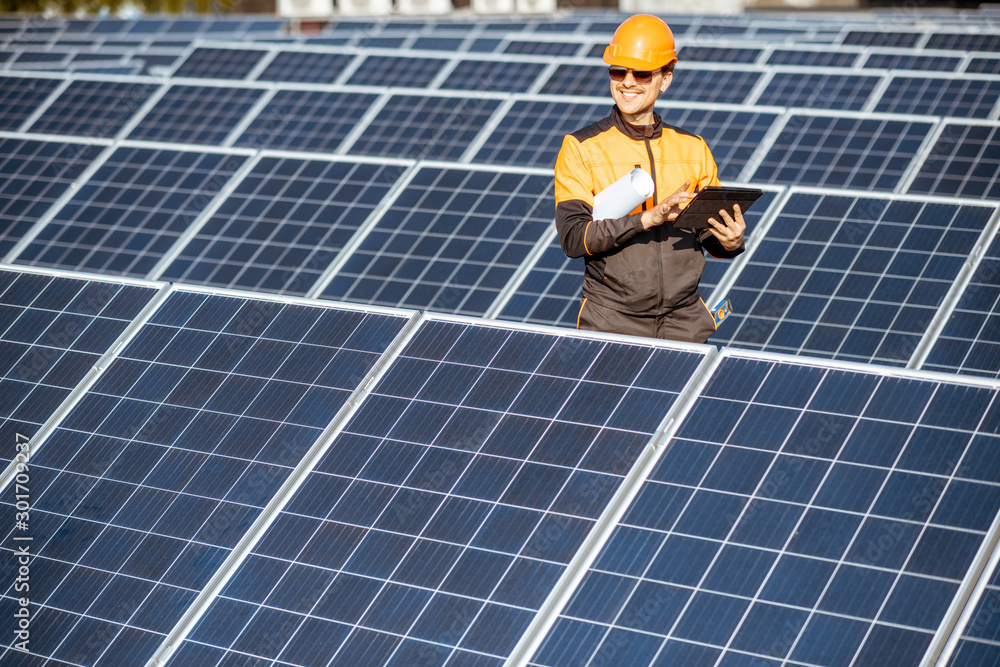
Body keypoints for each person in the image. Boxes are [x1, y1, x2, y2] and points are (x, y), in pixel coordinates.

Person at [554, 14, 746, 344]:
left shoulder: (693, 148)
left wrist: (730, 243)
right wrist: (646, 219)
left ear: (665, 78)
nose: (627, 82)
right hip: (610, 321)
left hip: (685, 323)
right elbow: (573, 238)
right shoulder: (581, 148)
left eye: (641, 73)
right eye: (618, 71)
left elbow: (707, 235)